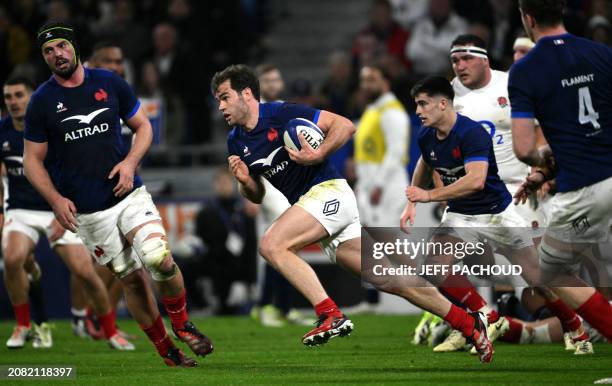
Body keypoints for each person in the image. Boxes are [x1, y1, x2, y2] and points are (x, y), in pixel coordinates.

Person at [212, 64, 493, 363]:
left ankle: (328, 313)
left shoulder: (281, 114)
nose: (220, 106)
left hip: (329, 192)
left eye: (225, 97)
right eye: (218, 99)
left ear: (246, 94)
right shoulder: (236, 141)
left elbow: (345, 125)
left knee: (272, 244)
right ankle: (468, 324)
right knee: (393, 280)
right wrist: (245, 183)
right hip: (316, 206)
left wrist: (318, 154)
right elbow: (257, 194)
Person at [23, 21, 212, 367]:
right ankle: (167, 352)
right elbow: (32, 161)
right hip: (88, 212)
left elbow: (143, 127)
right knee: (132, 280)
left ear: (75, 48)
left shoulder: (110, 83)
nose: (56, 55)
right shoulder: (42, 101)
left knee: (158, 258)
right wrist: (55, 199)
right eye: (48, 51)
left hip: (128, 194)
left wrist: (129, 163)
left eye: (61, 46)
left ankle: (183, 325)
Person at [430, 34, 592, 355]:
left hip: (517, 192)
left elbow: (541, 126)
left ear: (484, 58)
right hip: (472, 195)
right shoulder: (447, 95)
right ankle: (470, 325)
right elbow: (436, 146)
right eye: (454, 60)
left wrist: (539, 170)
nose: (459, 66)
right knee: (439, 263)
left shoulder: (510, 85)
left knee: (535, 275)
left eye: (466, 59)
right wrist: (442, 190)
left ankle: (572, 324)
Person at [1, 75, 135, 351]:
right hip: (21, 209)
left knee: (85, 272)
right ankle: (24, 325)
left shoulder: (50, 125)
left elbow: (73, 167)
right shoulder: (2, 131)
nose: (14, 102)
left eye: (19, 95)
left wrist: (64, 205)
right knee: (12, 257)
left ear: (32, 97)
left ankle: (109, 331)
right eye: (8, 97)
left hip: (57, 209)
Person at [509, 0, 612, 342]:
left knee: (551, 272)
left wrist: (542, 164)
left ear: (528, 18)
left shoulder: (524, 70)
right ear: (562, 11)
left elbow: (524, 150)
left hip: (585, 189)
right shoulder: (601, 53)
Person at [71, 41, 129, 339]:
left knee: (129, 262)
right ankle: (82, 316)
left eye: (119, 61)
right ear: (92, 62)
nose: (116, 67)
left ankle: (102, 321)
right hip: (84, 188)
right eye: (110, 60)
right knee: (90, 258)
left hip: (120, 187)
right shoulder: (74, 95)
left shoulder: (120, 94)